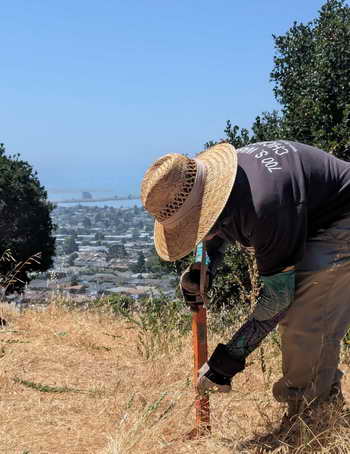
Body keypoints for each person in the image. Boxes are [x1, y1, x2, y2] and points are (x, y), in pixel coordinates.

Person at [141, 141, 350, 421]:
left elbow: (278, 299)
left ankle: (311, 420)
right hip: (310, 216)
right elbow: (210, 227)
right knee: (309, 317)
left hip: (341, 219)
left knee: (307, 317)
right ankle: (326, 402)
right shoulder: (214, 181)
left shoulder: (264, 206)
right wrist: (204, 265)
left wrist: (227, 362)